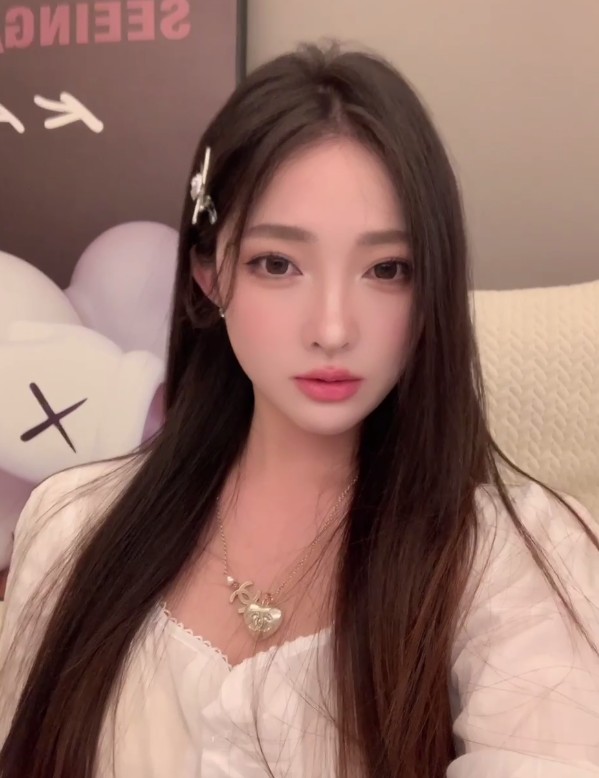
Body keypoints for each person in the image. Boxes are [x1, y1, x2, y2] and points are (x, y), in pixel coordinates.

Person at [0, 42, 598, 778]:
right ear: (209, 272)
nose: (332, 328)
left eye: (387, 269)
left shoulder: (516, 559)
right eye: (277, 264)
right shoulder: (74, 526)